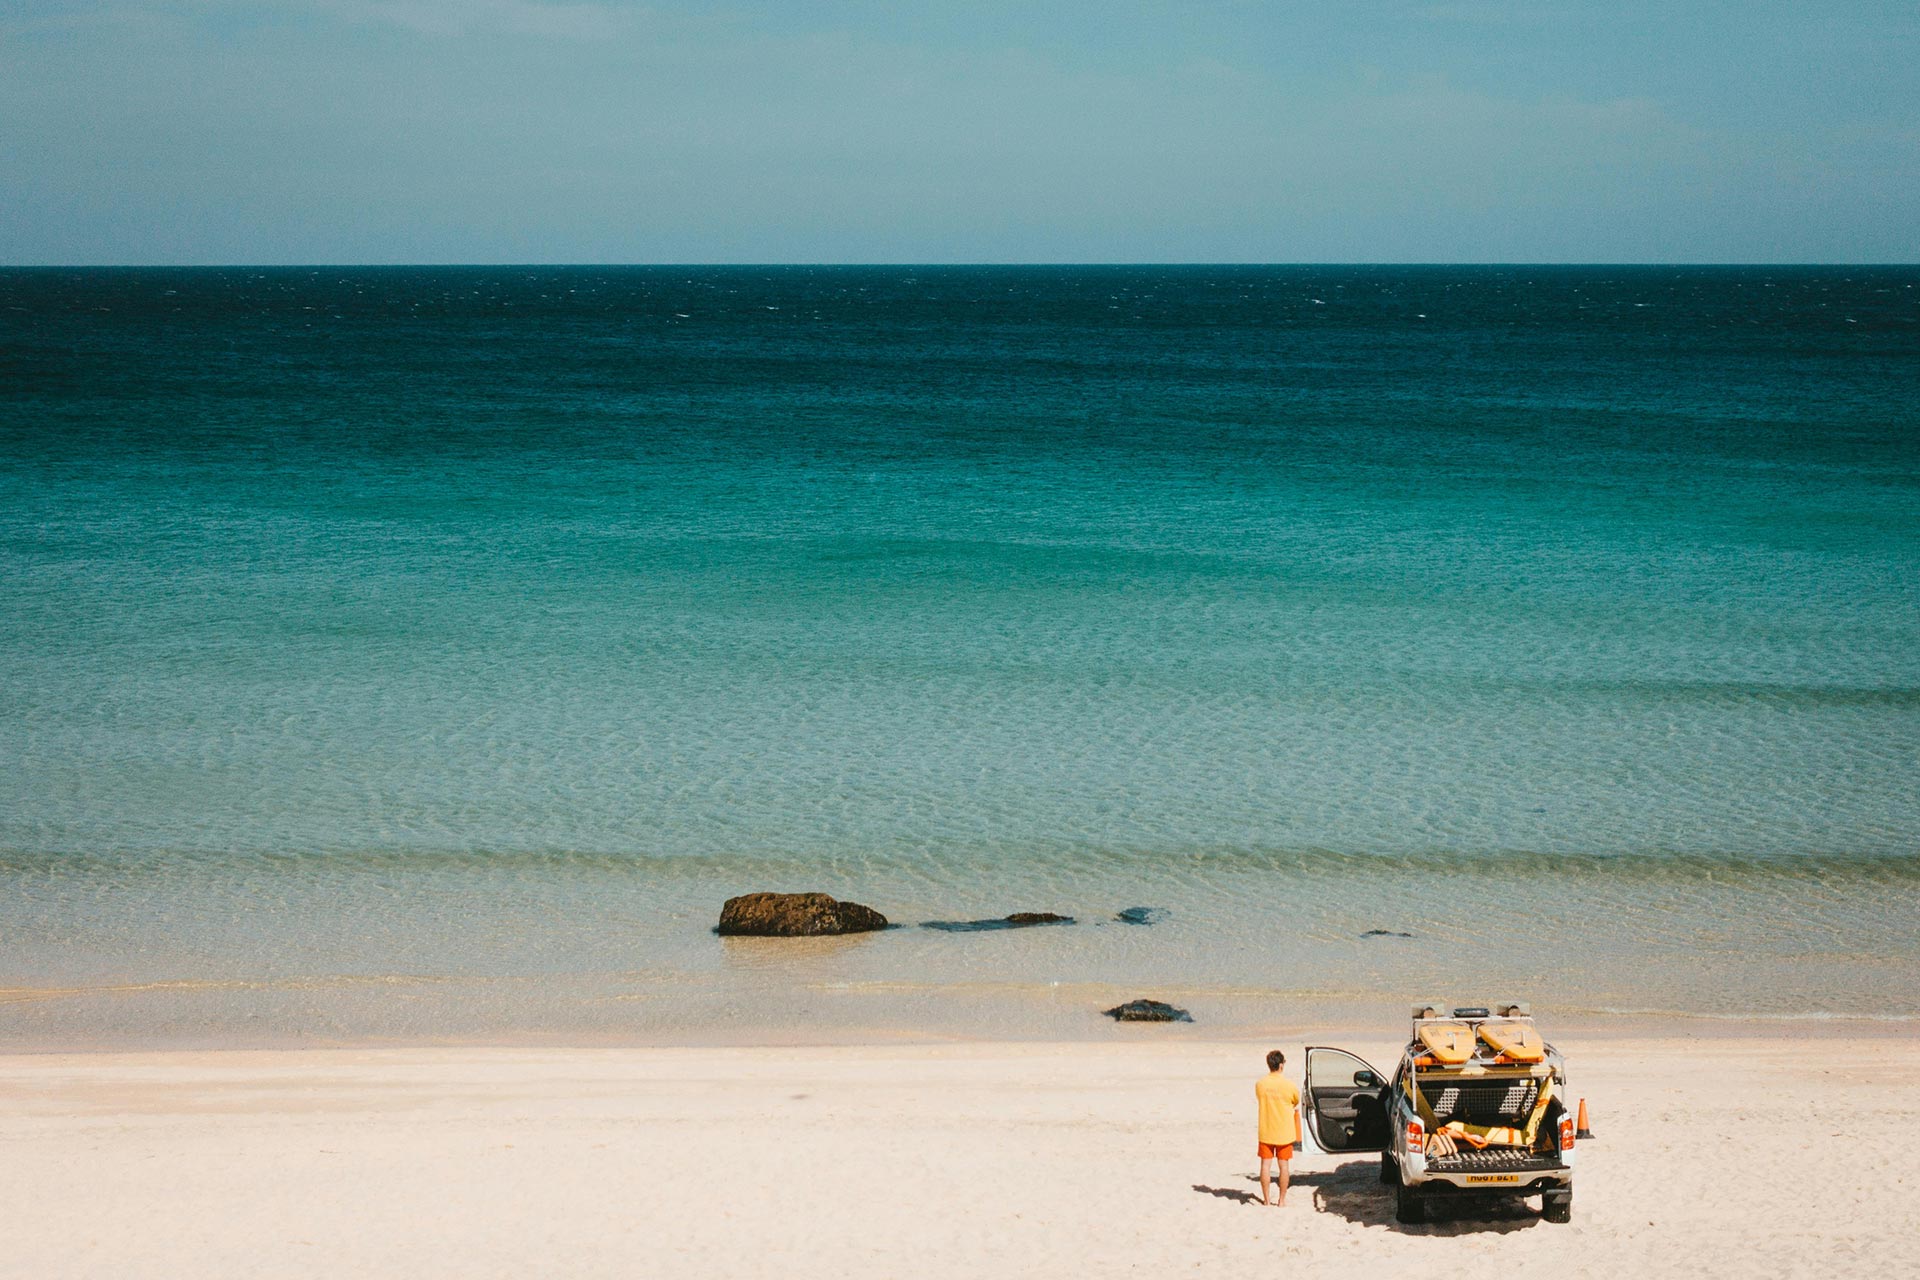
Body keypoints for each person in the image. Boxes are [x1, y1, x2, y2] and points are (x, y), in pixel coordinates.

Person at [1254, 1049, 1302, 1207]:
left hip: (1266, 1130)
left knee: (1265, 1166)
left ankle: (1266, 1200)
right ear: (1281, 1065)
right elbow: (1295, 1101)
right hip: (1284, 1132)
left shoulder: (1260, 1084)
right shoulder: (1289, 1085)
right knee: (1284, 1167)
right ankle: (1281, 1200)